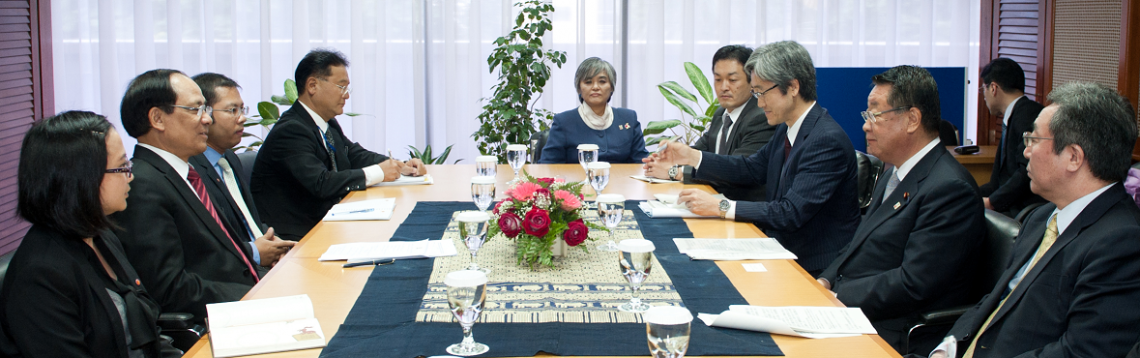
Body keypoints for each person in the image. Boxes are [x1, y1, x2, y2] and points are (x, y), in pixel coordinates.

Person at [928, 82, 1140, 358]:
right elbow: (996, 301)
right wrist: (946, 348)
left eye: (1034, 139)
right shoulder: (1041, 218)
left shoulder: (1122, 243)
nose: (1025, 151)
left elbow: (1082, 352)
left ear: (1074, 157)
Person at [652, 41, 860, 276]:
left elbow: (790, 212)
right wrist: (693, 156)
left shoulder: (825, 139)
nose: (759, 103)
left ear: (792, 87)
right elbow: (752, 168)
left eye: (762, 92)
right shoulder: (788, 127)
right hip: (777, 248)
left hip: (812, 267)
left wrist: (720, 206)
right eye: (755, 93)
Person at [816, 66, 985, 355]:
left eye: (874, 114)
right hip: (856, 309)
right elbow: (859, 243)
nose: (865, 125)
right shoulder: (896, 171)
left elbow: (913, 283)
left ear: (912, 119)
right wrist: (823, 281)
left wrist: (836, 295)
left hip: (894, 330)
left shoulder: (949, 189)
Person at [0, 111, 181, 357]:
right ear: (80, 180)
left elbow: (149, 332)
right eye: (122, 167)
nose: (131, 176)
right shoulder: (41, 275)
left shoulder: (99, 234)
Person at [111, 69, 262, 322]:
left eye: (207, 110)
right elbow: (169, 287)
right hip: (216, 320)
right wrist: (254, 296)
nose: (207, 120)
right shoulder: (143, 185)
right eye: (196, 110)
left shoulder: (187, 172)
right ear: (158, 118)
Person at [252, 49, 426, 241]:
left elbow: (353, 155)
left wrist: (399, 166)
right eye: (341, 87)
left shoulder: (326, 123)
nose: (346, 96)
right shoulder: (291, 130)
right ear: (312, 85)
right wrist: (379, 172)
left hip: (329, 223)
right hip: (299, 237)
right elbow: (321, 183)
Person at [643, 45, 775, 201]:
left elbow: (738, 171)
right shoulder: (720, 114)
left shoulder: (761, 117)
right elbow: (701, 152)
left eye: (732, 80)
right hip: (712, 202)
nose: (723, 87)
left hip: (743, 212)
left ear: (752, 81)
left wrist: (674, 172)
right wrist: (669, 157)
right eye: (718, 79)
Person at [189, 73, 295, 268]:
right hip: (240, 269)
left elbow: (249, 220)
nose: (242, 118)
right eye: (233, 110)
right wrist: (257, 253)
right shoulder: (193, 172)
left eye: (242, 109)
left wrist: (274, 242)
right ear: (205, 114)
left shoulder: (229, 158)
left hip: (266, 261)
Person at [538, 57, 650, 164]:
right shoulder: (564, 122)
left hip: (622, 182)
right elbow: (548, 165)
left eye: (602, 82)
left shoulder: (628, 118)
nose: (595, 87)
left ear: (611, 87)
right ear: (579, 89)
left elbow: (641, 162)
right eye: (588, 82)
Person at [978, 58, 1046, 216]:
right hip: (1011, 204)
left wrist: (992, 202)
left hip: (1023, 210)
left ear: (993, 88)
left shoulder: (1028, 115)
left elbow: (1027, 171)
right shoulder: (1015, 115)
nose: (984, 96)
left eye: (984, 89)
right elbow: (999, 182)